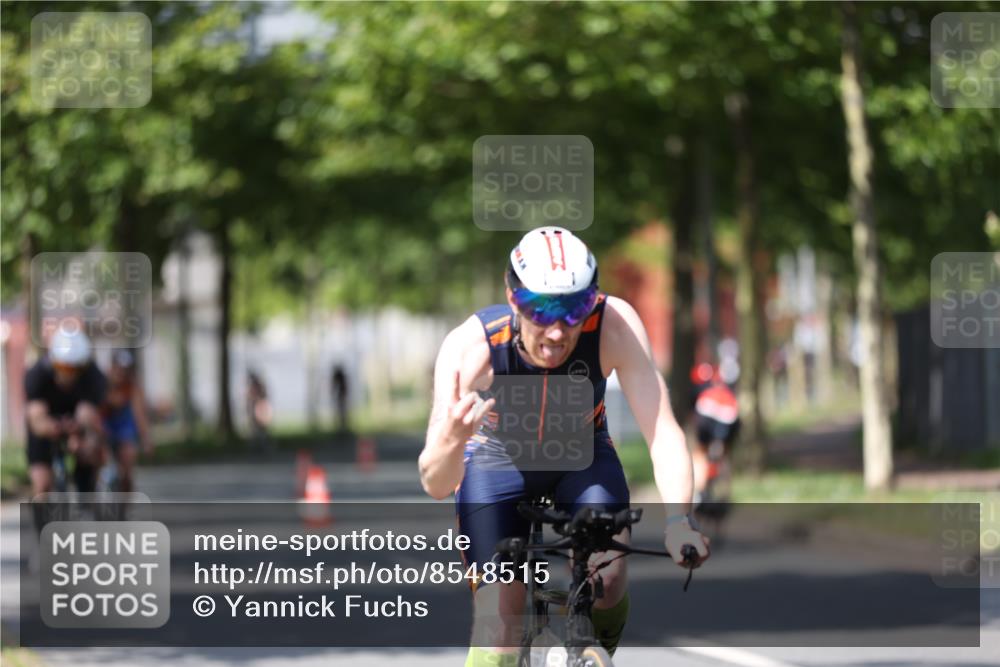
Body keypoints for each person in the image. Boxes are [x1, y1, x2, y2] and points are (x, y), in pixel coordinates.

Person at [418, 227, 710, 665]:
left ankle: (592, 657)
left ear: (592, 302)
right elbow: (435, 482)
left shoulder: (615, 326)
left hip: (582, 455)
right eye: (541, 310)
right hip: (497, 461)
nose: (557, 332)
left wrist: (678, 520)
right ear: (512, 297)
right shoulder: (472, 346)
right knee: (501, 625)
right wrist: (451, 442)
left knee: (609, 580)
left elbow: (662, 430)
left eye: (573, 312)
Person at [25, 326, 107, 496]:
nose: (70, 374)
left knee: (89, 447)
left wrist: (79, 434)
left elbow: (90, 415)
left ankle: (88, 490)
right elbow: (36, 418)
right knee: (42, 483)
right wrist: (54, 428)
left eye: (76, 369)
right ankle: (43, 517)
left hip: (78, 424)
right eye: (64, 368)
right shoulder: (37, 375)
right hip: (47, 425)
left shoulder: (94, 376)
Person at [100, 349, 153, 492]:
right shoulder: (100, 383)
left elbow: (139, 413)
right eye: (118, 368)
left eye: (125, 370)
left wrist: (146, 438)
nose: (121, 373)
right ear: (111, 367)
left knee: (128, 460)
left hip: (123, 427)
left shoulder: (132, 386)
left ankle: (124, 503)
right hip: (104, 424)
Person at [246, 370, 272, 448]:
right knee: (255, 430)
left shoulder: (258, 386)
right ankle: (257, 446)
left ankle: (262, 446)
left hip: (260, 410)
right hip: (255, 410)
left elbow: (262, 397)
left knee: (261, 430)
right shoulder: (254, 386)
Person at [330, 364, 349, 432]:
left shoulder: (339, 376)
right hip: (341, 395)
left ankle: (342, 427)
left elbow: (335, 386)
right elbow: (334, 386)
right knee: (341, 411)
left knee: (342, 411)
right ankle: (341, 427)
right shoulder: (340, 376)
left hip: (341, 395)